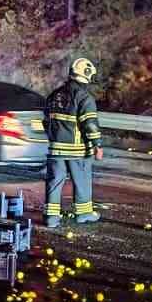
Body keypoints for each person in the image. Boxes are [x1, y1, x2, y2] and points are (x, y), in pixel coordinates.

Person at [43, 57, 103, 227]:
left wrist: (54, 138)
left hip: (55, 148)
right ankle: (83, 213)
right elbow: (90, 124)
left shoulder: (54, 95)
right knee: (82, 181)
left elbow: (46, 121)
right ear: (87, 75)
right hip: (77, 150)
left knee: (54, 182)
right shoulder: (84, 97)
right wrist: (97, 144)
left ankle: (51, 218)